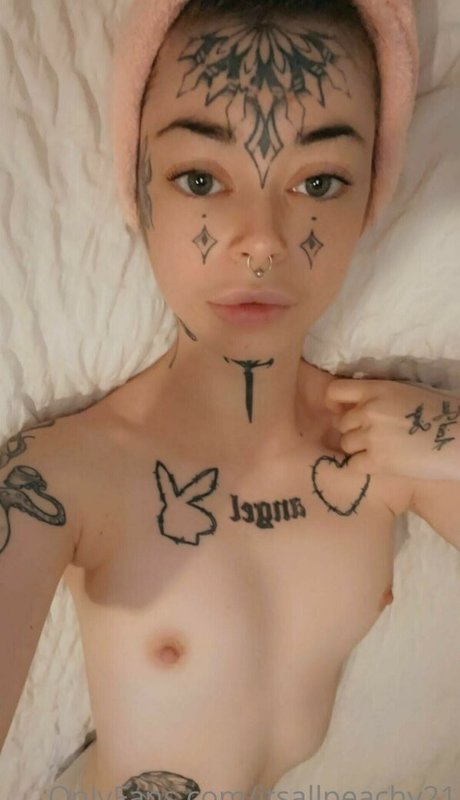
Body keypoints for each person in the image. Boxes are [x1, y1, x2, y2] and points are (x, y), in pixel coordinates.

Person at [7, 0, 460, 797]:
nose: (262, 241)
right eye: (200, 179)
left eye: (319, 181)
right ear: (139, 186)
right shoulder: (64, 478)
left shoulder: (391, 448)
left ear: (369, 200)